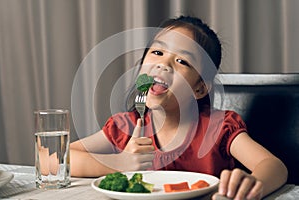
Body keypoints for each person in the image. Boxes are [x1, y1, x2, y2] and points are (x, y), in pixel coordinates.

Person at [70, 16, 288, 199]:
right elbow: (53, 159)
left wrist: (251, 185)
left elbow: (274, 166)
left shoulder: (218, 128)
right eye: (157, 52)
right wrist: (119, 163)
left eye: (182, 61)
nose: (163, 64)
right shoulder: (124, 127)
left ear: (199, 88)